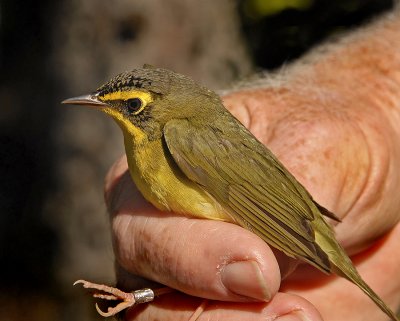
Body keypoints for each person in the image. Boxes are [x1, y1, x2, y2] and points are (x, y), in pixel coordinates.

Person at [103, 7, 400, 321]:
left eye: (133, 105)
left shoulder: (179, 133)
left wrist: (297, 239)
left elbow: (247, 195)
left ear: (162, 107)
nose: (121, 111)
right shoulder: (152, 143)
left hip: (278, 213)